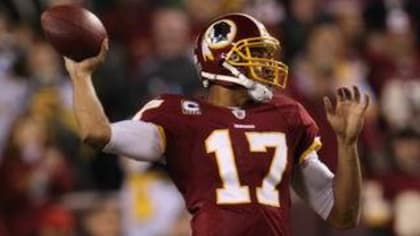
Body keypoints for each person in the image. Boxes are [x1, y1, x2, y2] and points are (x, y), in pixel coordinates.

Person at [63, 13, 369, 236]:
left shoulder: (286, 114)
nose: (264, 64)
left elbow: (342, 214)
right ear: (220, 59)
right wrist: (81, 77)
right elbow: (96, 133)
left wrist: (347, 144)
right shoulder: (179, 114)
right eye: (253, 54)